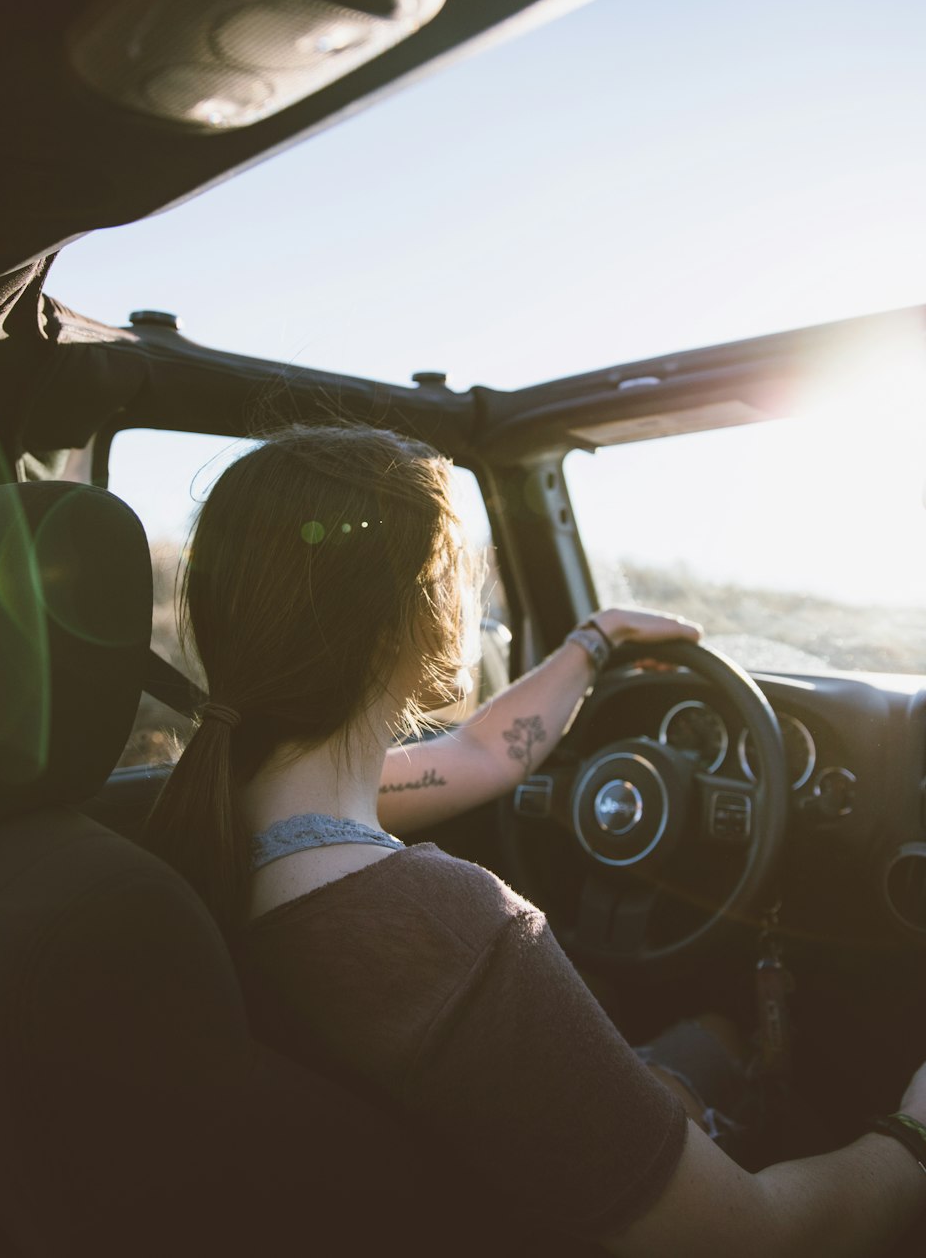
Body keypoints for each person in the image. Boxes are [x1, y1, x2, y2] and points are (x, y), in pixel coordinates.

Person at [145, 424, 926, 1255]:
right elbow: (758, 1239)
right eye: (452, 574)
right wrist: (913, 1131)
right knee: (722, 1042)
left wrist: (593, 644)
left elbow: (478, 755)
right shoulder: (441, 927)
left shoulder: (230, 810)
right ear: (406, 622)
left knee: (710, 1037)